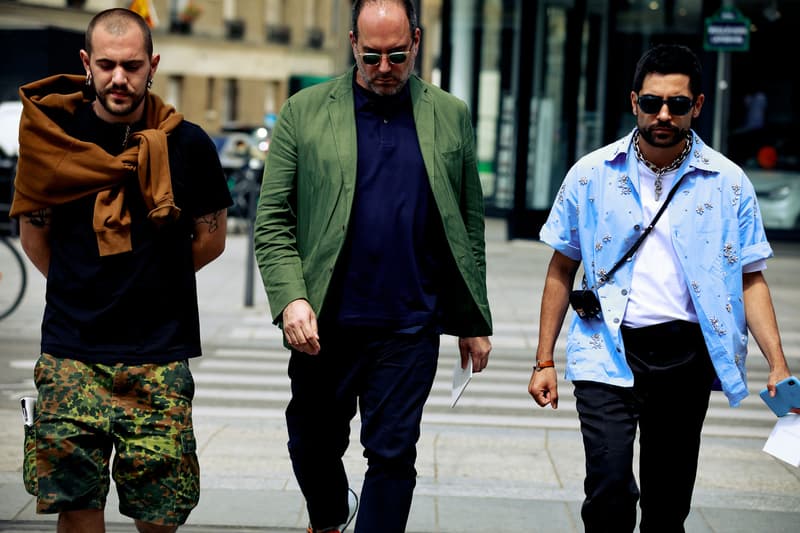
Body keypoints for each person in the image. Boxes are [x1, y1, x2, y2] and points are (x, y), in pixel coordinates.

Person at [527, 43, 797, 533]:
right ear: (634, 103)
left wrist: (777, 364)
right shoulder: (591, 175)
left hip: (685, 356)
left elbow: (751, 278)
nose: (663, 115)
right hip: (606, 347)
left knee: (667, 503)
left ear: (697, 105)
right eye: (652, 103)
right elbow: (561, 266)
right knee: (609, 490)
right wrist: (544, 359)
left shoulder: (729, 183)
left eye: (677, 104)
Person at [253, 1, 492, 531]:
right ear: (352, 44)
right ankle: (331, 514)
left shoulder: (450, 114)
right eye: (372, 55)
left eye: (398, 55)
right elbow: (272, 222)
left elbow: (467, 222)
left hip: (410, 326)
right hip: (325, 324)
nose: (384, 68)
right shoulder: (304, 111)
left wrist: (475, 322)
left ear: (419, 41)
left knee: (392, 456)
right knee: (310, 444)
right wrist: (291, 299)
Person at [10, 8, 232, 533]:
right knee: (76, 507)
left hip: (158, 356)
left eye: (132, 65)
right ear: (86, 62)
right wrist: (83, 285)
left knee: (161, 516)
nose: (119, 78)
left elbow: (212, 238)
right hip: (71, 355)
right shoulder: (52, 140)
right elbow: (34, 233)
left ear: (152, 64)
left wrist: (152, 284)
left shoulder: (189, 144)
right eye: (106, 64)